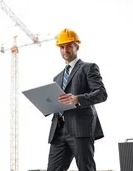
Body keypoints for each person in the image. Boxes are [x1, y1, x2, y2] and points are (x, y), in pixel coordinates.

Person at [46, 28, 108, 171]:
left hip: (80, 128)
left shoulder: (88, 68)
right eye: (62, 47)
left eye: (69, 46)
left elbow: (101, 94)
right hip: (58, 130)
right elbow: (59, 101)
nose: (65, 50)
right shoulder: (57, 77)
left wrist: (77, 99)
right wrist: (47, 105)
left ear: (77, 47)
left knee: (86, 168)